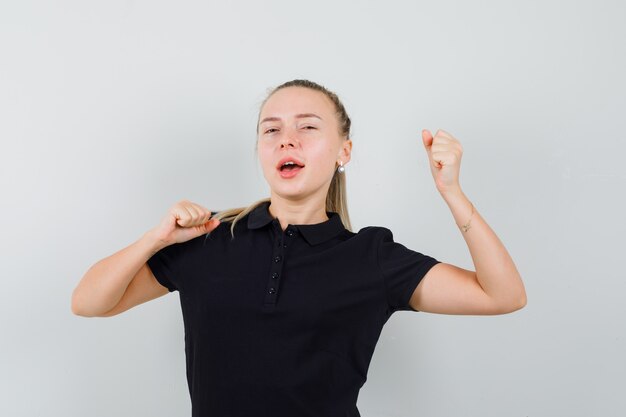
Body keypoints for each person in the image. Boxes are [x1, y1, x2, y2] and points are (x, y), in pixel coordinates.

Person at [71, 79, 527, 417]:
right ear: (260, 149)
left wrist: (452, 192)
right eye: (271, 130)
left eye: (307, 127)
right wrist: (156, 237)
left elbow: (502, 295)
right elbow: (89, 302)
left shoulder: (372, 258)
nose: (286, 138)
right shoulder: (210, 241)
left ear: (343, 151)